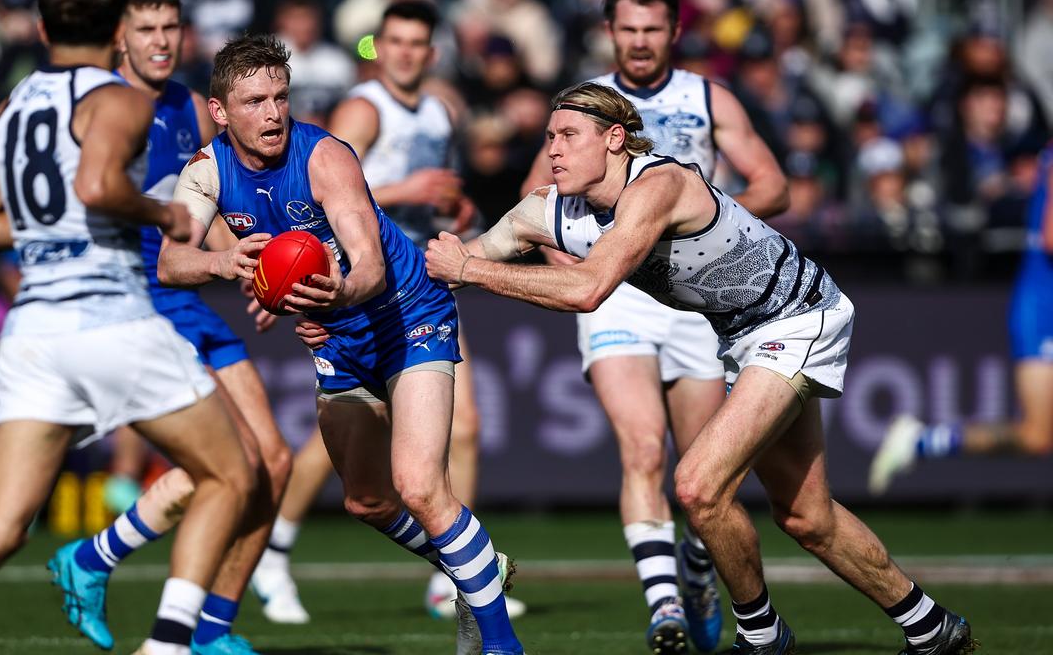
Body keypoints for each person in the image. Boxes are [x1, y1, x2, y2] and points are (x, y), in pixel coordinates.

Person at [424, 82, 977, 655]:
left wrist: (471, 270)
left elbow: (586, 288)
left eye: (568, 136)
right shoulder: (548, 209)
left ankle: (762, 638)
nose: (553, 150)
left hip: (798, 317)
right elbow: (462, 256)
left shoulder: (658, 186)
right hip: (744, 337)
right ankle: (934, 628)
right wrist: (352, 285)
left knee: (697, 486)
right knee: (808, 518)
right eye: (548, 138)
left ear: (615, 139)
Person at [0, 0, 254, 655]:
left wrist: (56, 221)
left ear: (40, 28)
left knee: (0, 526)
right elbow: (98, 187)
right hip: (109, 317)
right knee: (232, 472)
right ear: (116, 30)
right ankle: (166, 645)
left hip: (33, 332)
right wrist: (162, 213)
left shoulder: (14, 106)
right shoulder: (121, 100)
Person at [163, 33, 525, 655]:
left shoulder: (325, 157)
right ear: (221, 112)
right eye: (254, 102)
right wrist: (226, 262)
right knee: (365, 501)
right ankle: (480, 567)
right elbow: (171, 262)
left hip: (407, 314)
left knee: (418, 485)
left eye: (281, 96)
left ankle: (499, 643)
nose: (273, 113)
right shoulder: (205, 172)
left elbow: (370, 270)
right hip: (338, 333)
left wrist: (326, 299)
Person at [519, 0, 789, 655]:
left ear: (675, 31)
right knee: (641, 448)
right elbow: (534, 206)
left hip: (695, 301)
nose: (640, 42)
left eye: (653, 29)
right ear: (609, 32)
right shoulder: (584, 107)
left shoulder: (709, 97)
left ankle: (698, 568)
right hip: (618, 298)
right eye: (628, 30)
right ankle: (664, 606)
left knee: (702, 471)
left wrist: (700, 227)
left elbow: (773, 187)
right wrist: (577, 271)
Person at [249, 0, 525, 624]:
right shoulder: (362, 108)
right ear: (380, 46)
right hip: (356, 285)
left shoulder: (441, 108)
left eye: (416, 43)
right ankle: (277, 549)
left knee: (467, 427)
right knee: (349, 439)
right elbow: (334, 188)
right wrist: (408, 191)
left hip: (417, 282)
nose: (404, 52)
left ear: (430, 52)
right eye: (393, 41)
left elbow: (436, 187)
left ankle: (451, 574)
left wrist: (451, 211)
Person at [43, 0, 294, 654]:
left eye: (171, 28)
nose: (161, 42)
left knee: (272, 458)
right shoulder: (99, 105)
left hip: (183, 292)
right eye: (146, 29)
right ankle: (166, 608)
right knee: (235, 462)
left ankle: (186, 612)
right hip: (132, 296)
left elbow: (197, 202)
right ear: (118, 36)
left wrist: (247, 268)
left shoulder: (186, 104)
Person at [868, 140, 1053, 494]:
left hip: (1039, 301)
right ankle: (922, 440)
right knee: (1037, 435)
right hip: (1044, 307)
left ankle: (922, 441)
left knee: (1037, 437)